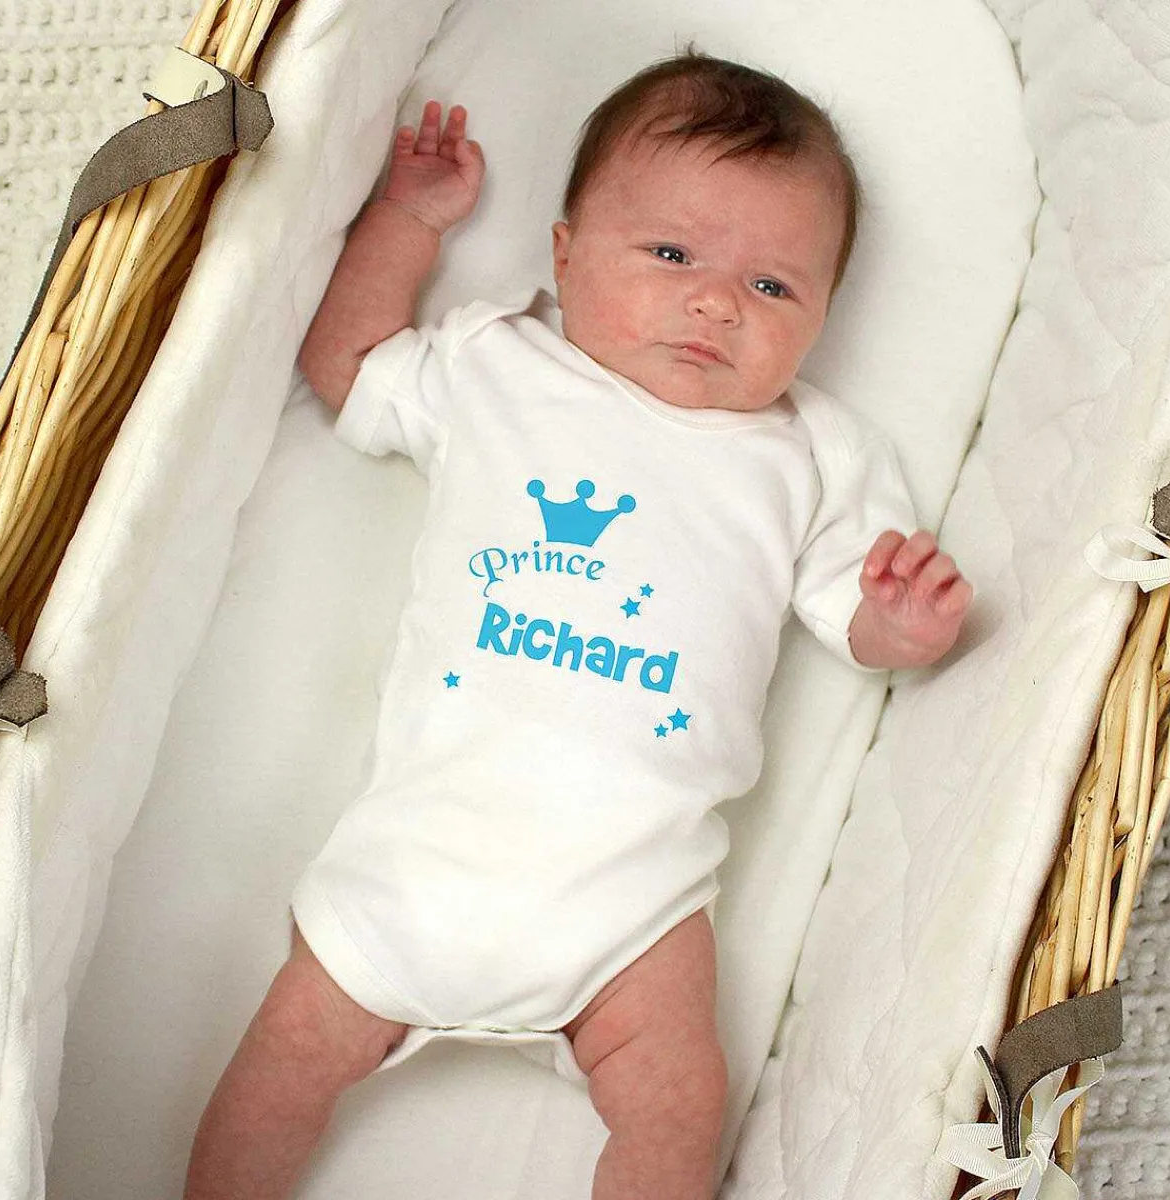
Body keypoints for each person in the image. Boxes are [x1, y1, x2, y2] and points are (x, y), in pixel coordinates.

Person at [184, 51, 972, 1200]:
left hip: (635, 902)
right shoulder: (499, 364)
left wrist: (903, 621)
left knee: (680, 1103)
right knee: (283, 1064)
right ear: (565, 256)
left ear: (823, 318)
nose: (716, 302)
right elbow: (345, 366)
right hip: (421, 860)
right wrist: (409, 222)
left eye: (772, 287)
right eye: (672, 255)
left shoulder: (811, 455)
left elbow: (858, 619)